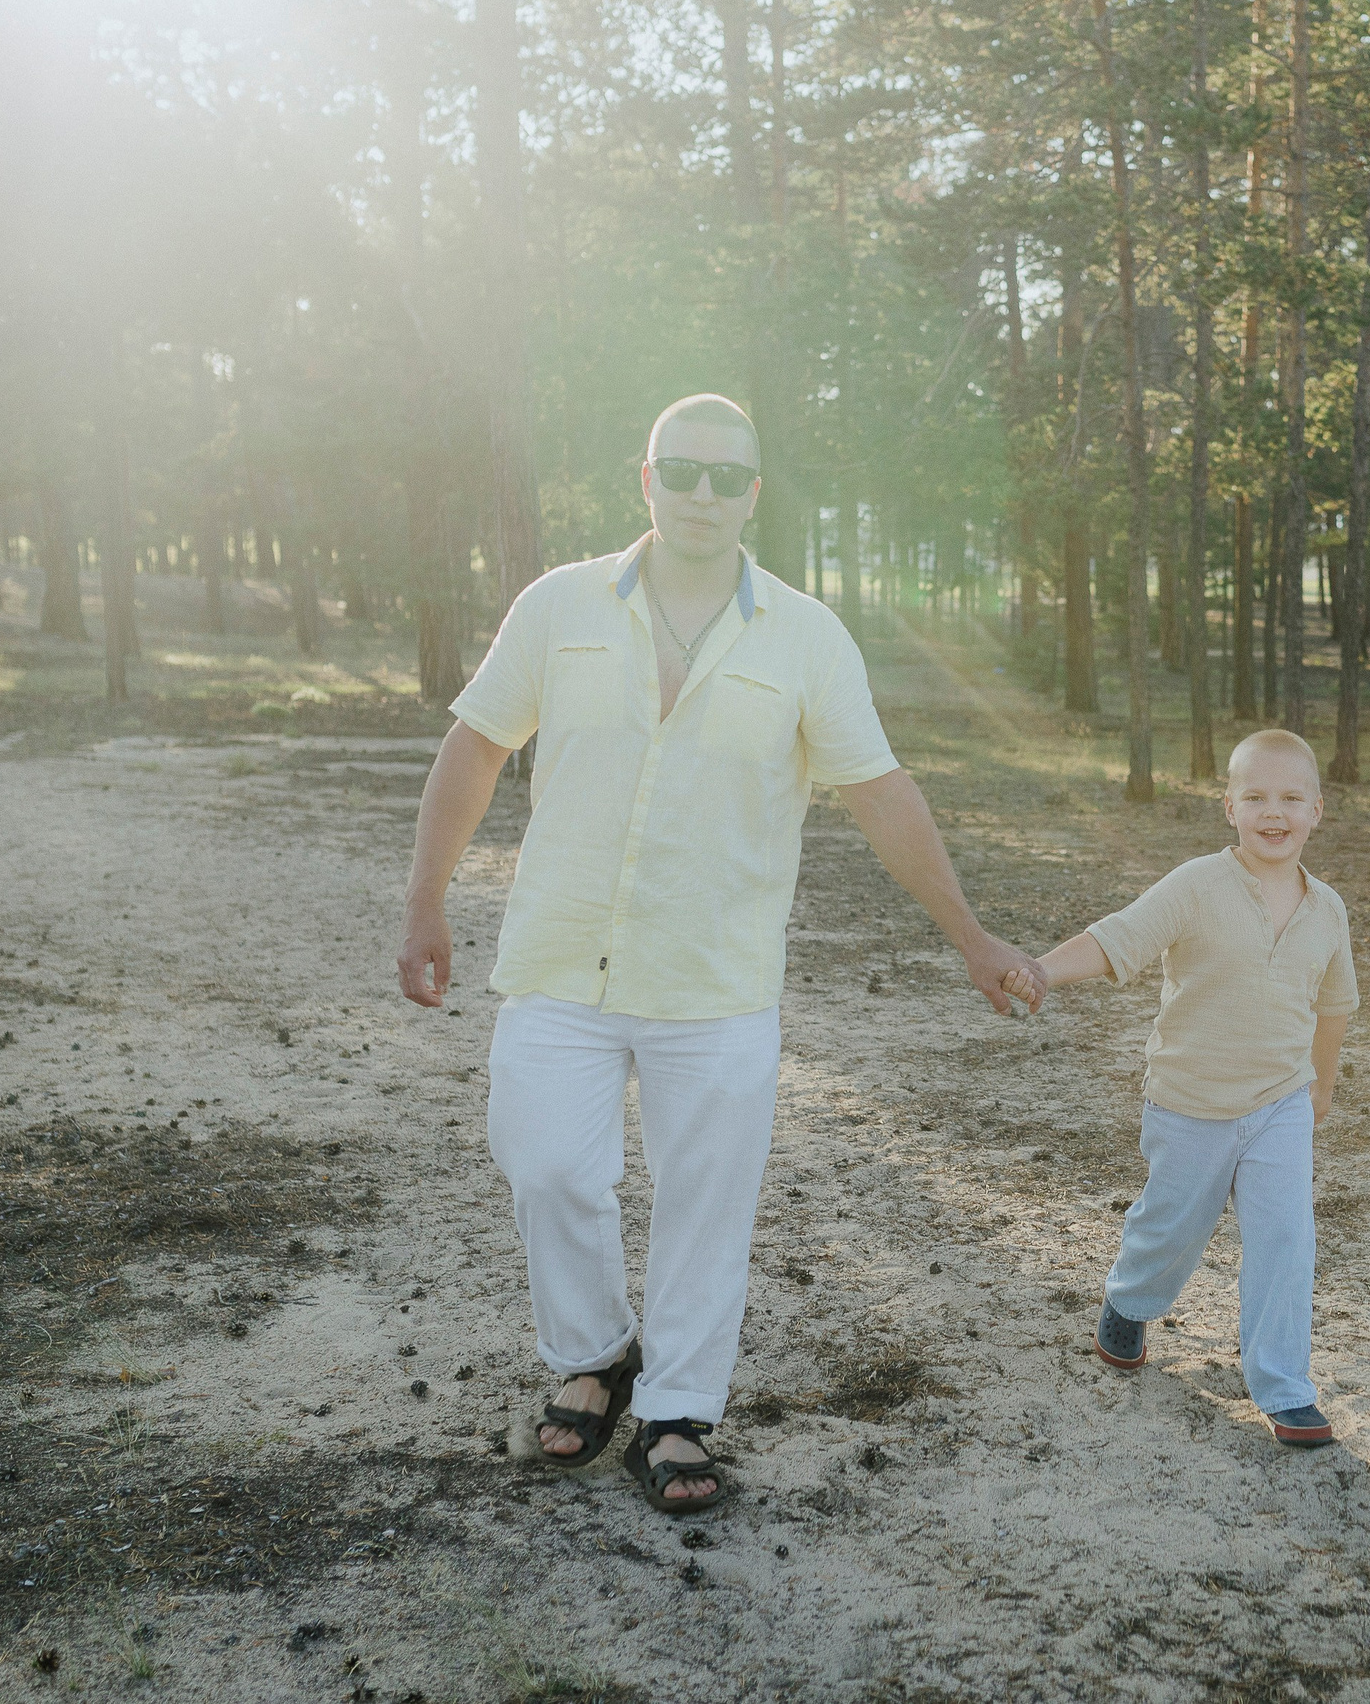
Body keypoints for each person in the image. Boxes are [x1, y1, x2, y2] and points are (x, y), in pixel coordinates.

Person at [395, 393, 1042, 1514]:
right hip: (560, 961)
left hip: (717, 980)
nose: (699, 492)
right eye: (677, 469)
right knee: (547, 1168)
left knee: (706, 1199)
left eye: (722, 476)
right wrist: (425, 903)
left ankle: (680, 1410)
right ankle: (596, 1355)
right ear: (643, 479)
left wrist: (973, 937)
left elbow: (880, 794)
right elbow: (475, 747)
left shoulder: (805, 635)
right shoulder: (557, 607)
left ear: (752, 492)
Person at [1003, 729, 1357, 1447]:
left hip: (1280, 1103)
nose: (1274, 812)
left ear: (1317, 810)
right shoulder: (1199, 883)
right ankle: (1128, 1303)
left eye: (1291, 798)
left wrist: (1320, 1085)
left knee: (1287, 1238)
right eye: (1255, 796)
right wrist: (1040, 969)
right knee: (1171, 1227)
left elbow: (1335, 1003)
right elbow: (1119, 938)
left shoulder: (1328, 910)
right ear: (1229, 807)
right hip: (1190, 1101)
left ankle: (1285, 1385)